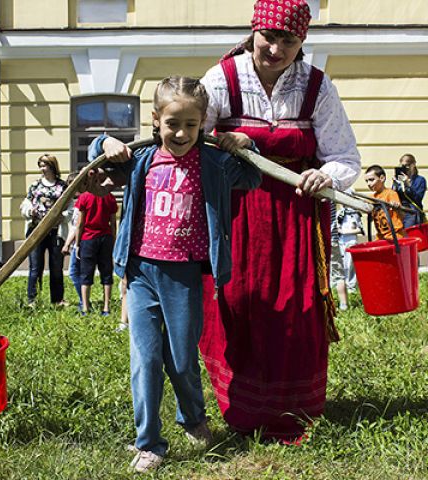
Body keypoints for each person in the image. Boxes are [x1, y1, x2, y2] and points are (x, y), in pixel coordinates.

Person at [198, 0, 361, 443]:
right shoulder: (222, 79)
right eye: (269, 37)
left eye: (288, 40)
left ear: (301, 41)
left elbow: (345, 157)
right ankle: (242, 409)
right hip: (237, 215)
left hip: (297, 220)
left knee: (296, 309)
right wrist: (224, 142)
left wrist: (322, 174)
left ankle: (294, 411)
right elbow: (192, 143)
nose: (276, 48)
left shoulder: (317, 87)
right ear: (254, 31)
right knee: (240, 302)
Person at [88, 76, 261, 472]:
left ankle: (193, 417)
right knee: (145, 359)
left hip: (184, 276)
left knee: (181, 359)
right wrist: (105, 143)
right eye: (172, 124)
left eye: (191, 124)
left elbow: (251, 177)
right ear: (155, 120)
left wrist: (246, 145)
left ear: (203, 124)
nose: (181, 133)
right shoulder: (142, 158)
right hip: (142, 270)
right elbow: (101, 155)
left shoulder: (214, 163)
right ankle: (148, 442)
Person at [20, 154, 72, 307]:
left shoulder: (62, 186)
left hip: (55, 231)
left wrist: (61, 217)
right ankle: (32, 300)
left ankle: (57, 299)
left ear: (52, 166)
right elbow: (26, 203)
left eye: (45, 165)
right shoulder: (35, 185)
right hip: (36, 230)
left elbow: (70, 207)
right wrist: (30, 212)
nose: (42, 169)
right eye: (40, 165)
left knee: (56, 267)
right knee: (35, 266)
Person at [74, 190, 117, 316]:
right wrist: (113, 241)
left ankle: (85, 308)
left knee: (85, 274)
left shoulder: (84, 197)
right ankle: (106, 308)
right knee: (107, 274)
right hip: (106, 238)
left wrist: (77, 243)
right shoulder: (110, 196)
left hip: (88, 239)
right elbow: (113, 223)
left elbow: (80, 223)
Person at [365, 164, 404, 240]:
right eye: (366, 181)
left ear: (382, 178)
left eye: (371, 180)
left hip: (395, 237)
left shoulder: (391, 194)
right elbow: (371, 219)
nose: (368, 184)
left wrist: (397, 208)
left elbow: (402, 216)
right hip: (381, 237)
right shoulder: (371, 198)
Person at [61, 172, 83, 309]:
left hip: (79, 243)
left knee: (74, 273)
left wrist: (67, 244)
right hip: (81, 241)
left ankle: (83, 301)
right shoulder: (74, 203)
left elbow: (77, 227)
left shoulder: (81, 203)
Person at [392, 153, 426, 228]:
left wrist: (408, 184)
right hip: (399, 211)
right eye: (402, 166)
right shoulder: (399, 179)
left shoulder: (420, 180)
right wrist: (395, 184)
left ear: (413, 165)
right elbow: (394, 195)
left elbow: (418, 198)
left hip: (411, 212)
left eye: (406, 166)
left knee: (408, 236)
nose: (405, 168)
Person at [337, 199, 364, 291]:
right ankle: (343, 286)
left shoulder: (354, 213)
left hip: (351, 241)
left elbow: (360, 229)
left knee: (349, 264)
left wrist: (344, 232)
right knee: (343, 265)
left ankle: (351, 287)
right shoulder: (339, 213)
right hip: (341, 241)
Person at [330, 203, 348, 311]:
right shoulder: (329, 190)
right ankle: (343, 304)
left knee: (336, 273)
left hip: (322, 238)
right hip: (332, 239)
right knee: (338, 273)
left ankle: (343, 304)